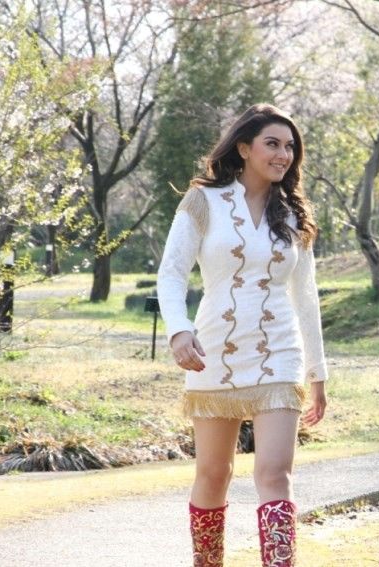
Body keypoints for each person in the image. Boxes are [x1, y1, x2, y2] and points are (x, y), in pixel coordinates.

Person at [157, 103, 328, 567]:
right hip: (213, 351)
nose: (283, 154)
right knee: (214, 474)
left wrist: (317, 373)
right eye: (272, 144)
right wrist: (179, 332)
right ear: (244, 147)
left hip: (280, 353)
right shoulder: (202, 202)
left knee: (275, 474)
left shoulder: (293, 215)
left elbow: (306, 297)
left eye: (290, 146)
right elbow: (171, 274)